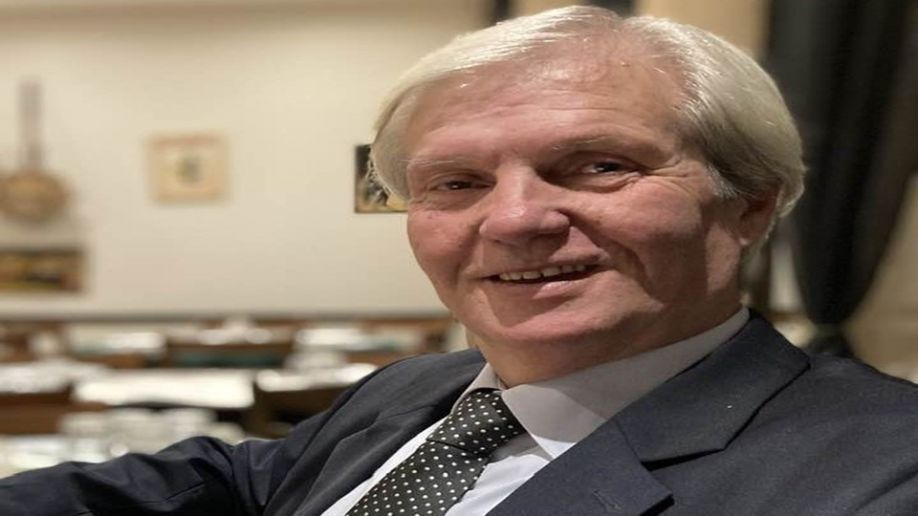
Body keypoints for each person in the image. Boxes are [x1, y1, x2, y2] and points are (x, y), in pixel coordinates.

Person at [3, 6, 918, 515]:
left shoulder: (877, 474)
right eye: (455, 183)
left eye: (597, 166)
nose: (513, 219)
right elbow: (239, 483)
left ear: (750, 200)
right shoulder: (420, 391)